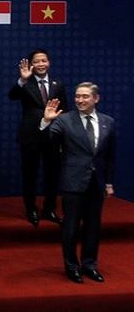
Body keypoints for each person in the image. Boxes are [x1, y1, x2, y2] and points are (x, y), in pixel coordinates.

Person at [42, 82, 115, 283]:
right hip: (73, 182)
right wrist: (46, 122)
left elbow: (109, 157)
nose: (80, 100)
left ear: (96, 98)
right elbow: (47, 143)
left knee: (93, 227)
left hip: (96, 183)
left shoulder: (108, 121)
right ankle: (72, 266)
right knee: (71, 227)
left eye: (85, 96)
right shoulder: (64, 120)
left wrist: (109, 183)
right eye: (77, 96)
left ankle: (90, 265)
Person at [8, 49, 67, 227]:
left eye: (44, 60)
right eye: (37, 61)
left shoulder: (58, 84)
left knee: (52, 174)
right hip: (30, 135)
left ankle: (49, 209)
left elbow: (64, 111)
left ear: (49, 62)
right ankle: (31, 209)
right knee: (30, 174)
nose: (41, 64)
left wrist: (65, 136)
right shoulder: (26, 82)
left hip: (53, 136)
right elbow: (12, 96)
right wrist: (22, 80)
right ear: (31, 65)